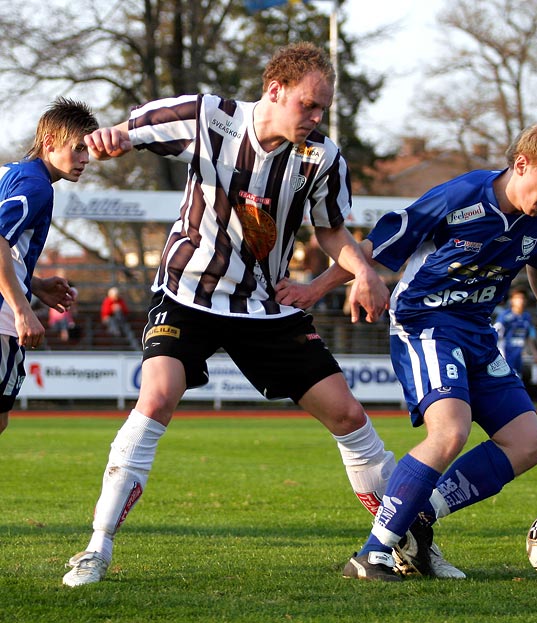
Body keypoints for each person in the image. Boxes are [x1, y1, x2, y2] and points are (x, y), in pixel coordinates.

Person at [62, 42, 461, 587]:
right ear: (274, 91)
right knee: (155, 398)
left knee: (349, 418)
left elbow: (331, 231)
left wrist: (364, 272)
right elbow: (129, 131)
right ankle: (96, 548)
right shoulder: (209, 117)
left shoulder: (322, 157)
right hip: (187, 294)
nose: (317, 118)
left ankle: (410, 544)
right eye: (310, 105)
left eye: (324, 109)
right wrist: (110, 140)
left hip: (265, 306)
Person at [277, 120, 537, 580]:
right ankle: (372, 554)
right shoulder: (459, 197)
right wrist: (318, 286)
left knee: (527, 444)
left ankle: (417, 520)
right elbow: (375, 247)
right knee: (450, 432)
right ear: (522, 164)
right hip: (425, 321)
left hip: (478, 332)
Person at [0, 98, 97, 435]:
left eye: (89, 151)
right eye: (79, 148)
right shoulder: (36, 187)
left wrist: (35, 284)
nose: (85, 159)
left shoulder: (12, 172)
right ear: (50, 143)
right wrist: (22, 309)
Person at [493, 285, 537, 376]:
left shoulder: (526, 317)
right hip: (505, 356)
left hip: (518, 357)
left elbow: (528, 338)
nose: (521, 301)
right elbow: (496, 335)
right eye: (518, 298)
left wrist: (535, 354)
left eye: (523, 298)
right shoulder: (505, 317)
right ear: (512, 300)